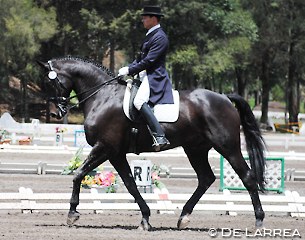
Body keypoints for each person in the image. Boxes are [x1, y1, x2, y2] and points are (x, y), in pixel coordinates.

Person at [118, 5, 173, 152]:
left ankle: (160, 136)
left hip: (154, 76)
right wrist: (127, 69)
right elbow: (139, 59)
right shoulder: (150, 35)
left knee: (138, 101)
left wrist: (130, 70)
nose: (142, 19)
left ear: (154, 19)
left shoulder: (160, 37)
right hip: (144, 75)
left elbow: (149, 61)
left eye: (145, 17)